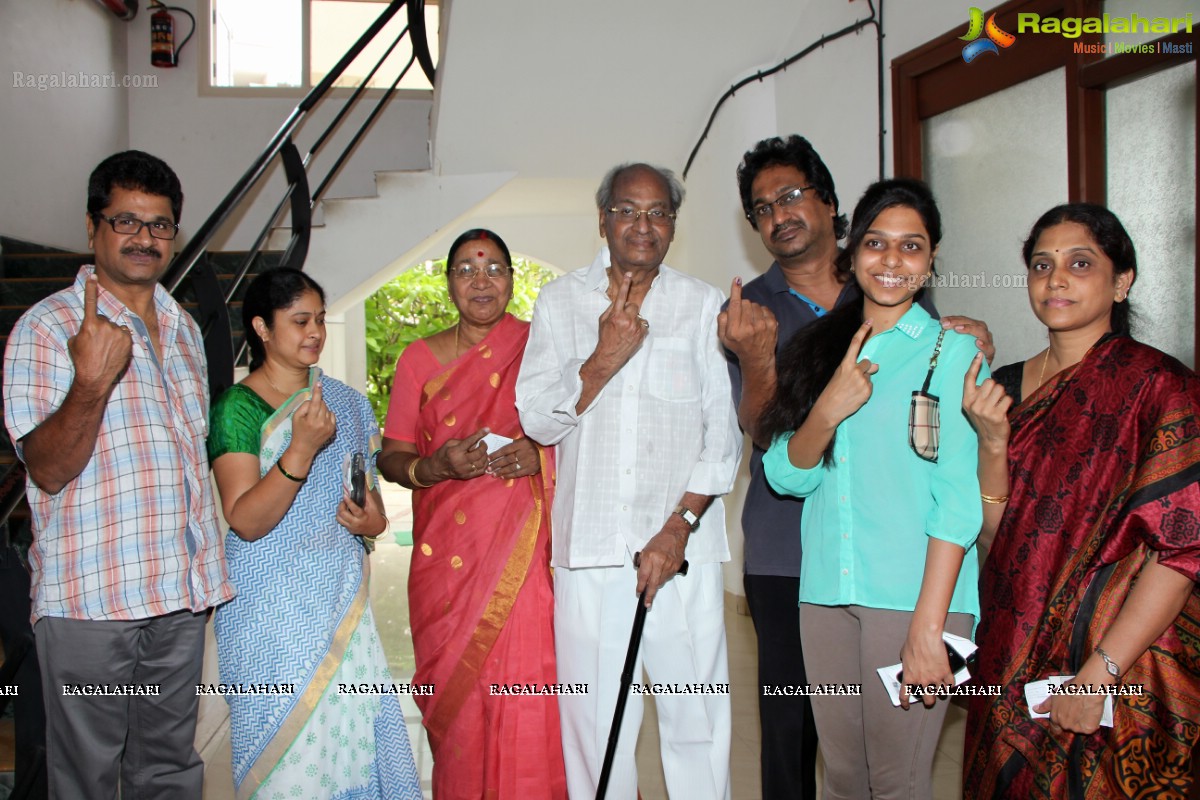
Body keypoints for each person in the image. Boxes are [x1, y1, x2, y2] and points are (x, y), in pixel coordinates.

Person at [719, 134, 995, 800]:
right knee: (842, 776)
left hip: (915, 598)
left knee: (899, 781)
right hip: (823, 590)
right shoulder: (816, 347)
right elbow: (786, 472)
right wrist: (827, 409)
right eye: (877, 242)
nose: (891, 259)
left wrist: (931, 629)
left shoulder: (949, 353)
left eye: (911, 245)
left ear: (931, 262)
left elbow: (958, 501)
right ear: (854, 249)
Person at [1, 150, 234, 798]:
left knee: (168, 770)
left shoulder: (184, 328)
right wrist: (91, 382)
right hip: (92, 602)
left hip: (178, 596)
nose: (143, 238)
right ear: (92, 227)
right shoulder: (47, 329)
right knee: (88, 780)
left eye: (159, 225)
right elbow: (46, 470)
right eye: (125, 221)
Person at [515, 163, 742, 798]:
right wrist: (601, 361)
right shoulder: (559, 303)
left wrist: (679, 527)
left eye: (658, 212)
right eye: (627, 210)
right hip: (589, 552)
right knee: (594, 727)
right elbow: (536, 420)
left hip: (681, 553)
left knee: (695, 721)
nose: (643, 225)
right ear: (602, 219)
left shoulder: (700, 306)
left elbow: (720, 436)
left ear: (673, 224)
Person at [962, 204, 1200, 799]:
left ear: (1122, 281)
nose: (1056, 279)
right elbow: (999, 540)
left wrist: (1102, 672)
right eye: (1042, 265)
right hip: (1014, 646)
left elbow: (1182, 550)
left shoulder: (1163, 388)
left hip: (1126, 659)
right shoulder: (1004, 389)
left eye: (1080, 263)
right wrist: (992, 443)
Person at [207, 268, 422, 800]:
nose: (316, 332)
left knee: (353, 749)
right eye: (300, 320)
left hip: (338, 602)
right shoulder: (238, 409)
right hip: (269, 615)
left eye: (320, 319)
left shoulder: (344, 402)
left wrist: (372, 523)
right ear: (261, 326)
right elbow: (246, 520)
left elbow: (366, 501)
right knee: (290, 758)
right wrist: (300, 447)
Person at [377, 228, 567, 799]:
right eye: (465, 269)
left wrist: (540, 451)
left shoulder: (544, 348)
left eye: (493, 269)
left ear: (512, 279)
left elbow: (584, 435)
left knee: (528, 680)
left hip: (526, 553)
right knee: (458, 698)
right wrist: (435, 467)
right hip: (447, 563)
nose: (480, 281)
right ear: (449, 283)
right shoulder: (418, 359)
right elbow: (393, 455)